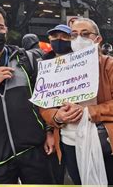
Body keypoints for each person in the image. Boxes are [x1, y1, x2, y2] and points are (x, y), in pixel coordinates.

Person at [40, 18, 113, 185]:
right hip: (69, 142)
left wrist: (88, 112)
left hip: (103, 141)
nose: (79, 39)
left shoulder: (111, 66)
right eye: (74, 35)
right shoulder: (57, 66)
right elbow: (44, 106)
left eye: (85, 34)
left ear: (97, 39)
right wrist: (58, 116)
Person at [0, 2, 53, 184]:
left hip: (34, 151)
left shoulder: (27, 60)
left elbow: (45, 98)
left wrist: (49, 132)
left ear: (6, 30)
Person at [41, 24, 74, 184]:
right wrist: (49, 132)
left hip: (79, 126)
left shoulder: (83, 62)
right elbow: (41, 103)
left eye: (64, 36)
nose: (59, 40)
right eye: (55, 37)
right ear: (49, 39)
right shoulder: (42, 65)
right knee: (56, 174)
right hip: (55, 128)